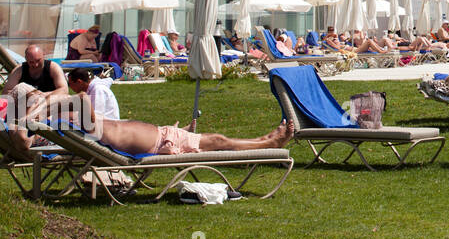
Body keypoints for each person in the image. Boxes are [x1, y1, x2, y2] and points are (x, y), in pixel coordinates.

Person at [5, 84, 293, 158]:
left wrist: (36, 108)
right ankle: (269, 142)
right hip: (159, 142)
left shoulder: (56, 122)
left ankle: (264, 141)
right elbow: (81, 98)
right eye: (36, 94)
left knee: (216, 141)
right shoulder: (53, 123)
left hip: (160, 134)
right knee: (218, 142)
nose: (43, 94)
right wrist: (39, 108)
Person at [2, 44, 67, 96]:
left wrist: (43, 95)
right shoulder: (19, 70)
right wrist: (27, 96)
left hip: (49, 102)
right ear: (26, 59)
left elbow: (64, 90)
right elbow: (5, 93)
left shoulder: (53, 67)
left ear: (43, 55)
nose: (36, 65)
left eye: (38, 60)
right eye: (31, 62)